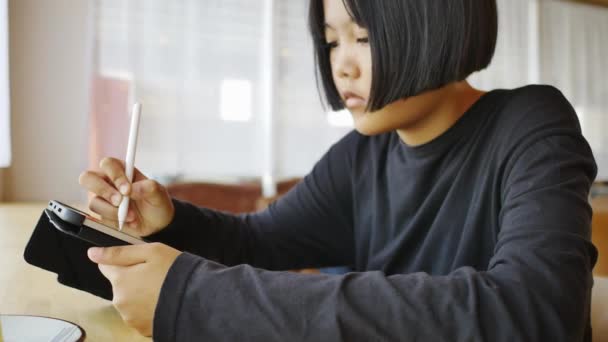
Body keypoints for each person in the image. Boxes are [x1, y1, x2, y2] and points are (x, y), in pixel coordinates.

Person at [79, 0, 598, 340]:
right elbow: (260, 242)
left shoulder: (529, 123)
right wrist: (170, 223)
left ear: (441, 22)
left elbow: (536, 312)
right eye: (332, 41)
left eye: (364, 37)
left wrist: (197, 300)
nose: (342, 65)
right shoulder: (360, 157)